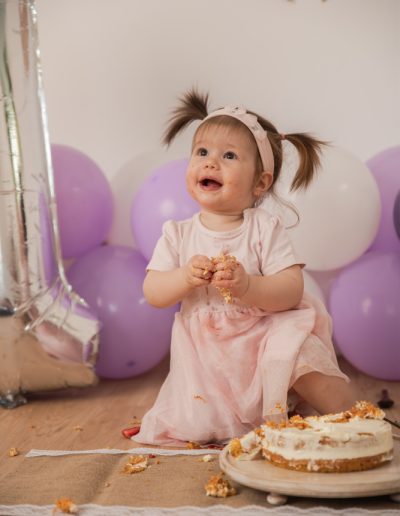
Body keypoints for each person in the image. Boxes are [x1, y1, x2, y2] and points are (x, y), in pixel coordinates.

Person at [134, 89, 357, 446]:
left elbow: (291, 289)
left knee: (297, 358)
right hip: (207, 359)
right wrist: (183, 278)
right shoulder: (178, 234)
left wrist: (248, 286)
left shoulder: (263, 228)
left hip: (265, 333)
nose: (210, 163)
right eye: (202, 152)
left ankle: (357, 420)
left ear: (260, 183)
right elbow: (154, 292)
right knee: (200, 426)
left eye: (229, 156)